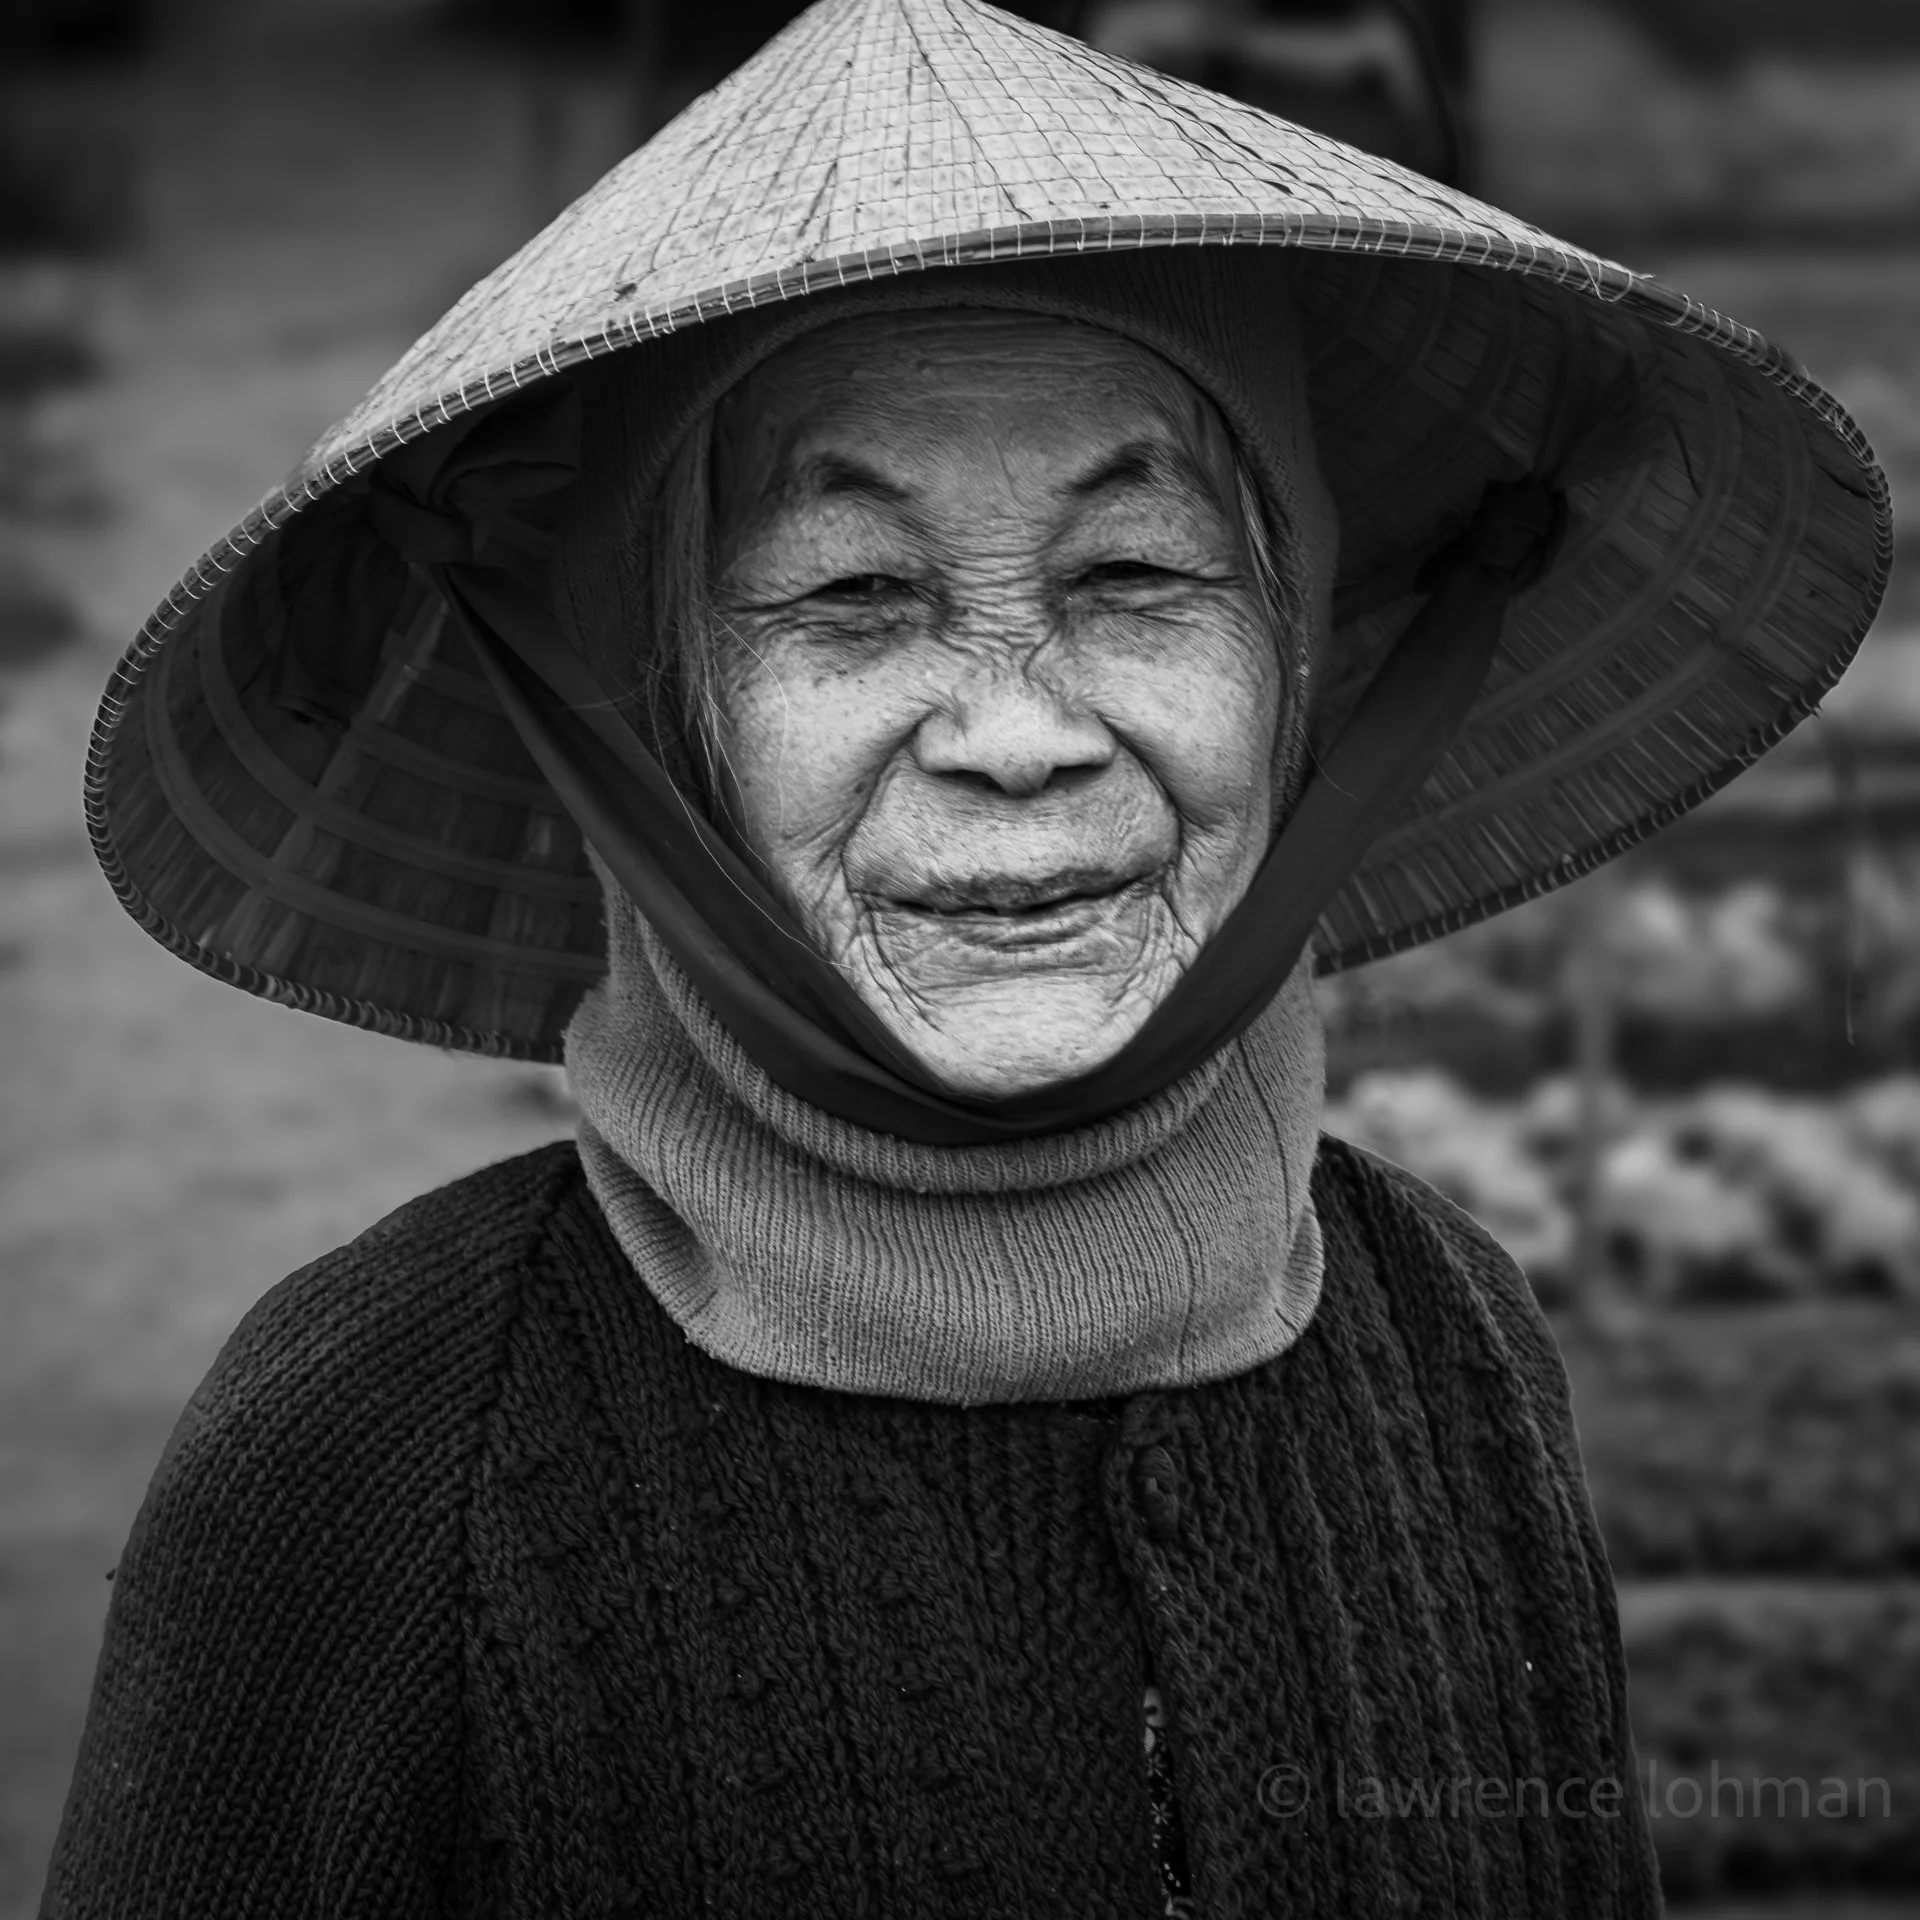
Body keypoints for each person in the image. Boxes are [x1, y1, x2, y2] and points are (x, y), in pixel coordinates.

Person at [40, 0, 1887, 1915]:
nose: (1019, 737)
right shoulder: (375, 1446)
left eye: (1136, 579)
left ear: (1305, 667)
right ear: (663, 727)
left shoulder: (1451, 1336)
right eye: (852, 598)